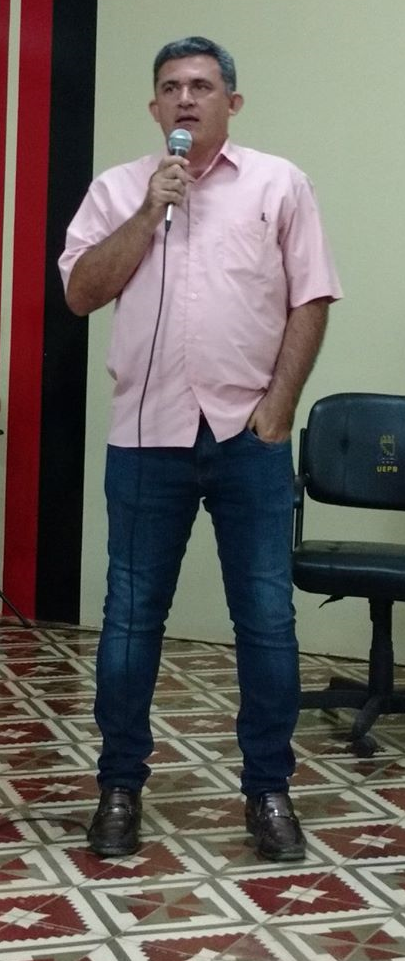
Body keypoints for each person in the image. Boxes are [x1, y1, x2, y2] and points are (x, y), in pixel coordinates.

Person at [59, 36, 342, 862]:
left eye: (202, 85)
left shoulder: (278, 183)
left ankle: (268, 791)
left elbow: (310, 296)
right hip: (145, 439)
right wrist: (149, 212)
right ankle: (119, 786)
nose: (186, 98)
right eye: (171, 86)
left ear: (231, 102)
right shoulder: (119, 188)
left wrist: (278, 408)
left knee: (265, 618)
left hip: (247, 437)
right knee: (129, 618)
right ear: (155, 107)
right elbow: (80, 292)